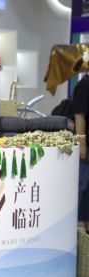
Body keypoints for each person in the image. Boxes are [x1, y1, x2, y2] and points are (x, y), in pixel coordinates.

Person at [72, 74, 89, 232]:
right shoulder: (85, 84)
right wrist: (81, 143)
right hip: (86, 148)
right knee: (80, 187)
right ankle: (71, 227)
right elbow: (79, 115)